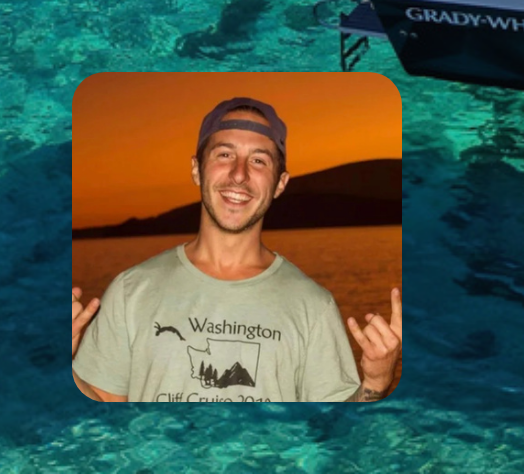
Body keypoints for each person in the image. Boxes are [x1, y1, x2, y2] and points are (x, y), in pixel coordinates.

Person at [71, 97, 401, 402]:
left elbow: (337, 431)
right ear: (197, 169)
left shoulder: (313, 307)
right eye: (225, 154)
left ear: (280, 184)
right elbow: (101, 406)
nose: (239, 175)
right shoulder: (131, 291)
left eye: (258, 160)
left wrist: (376, 381)